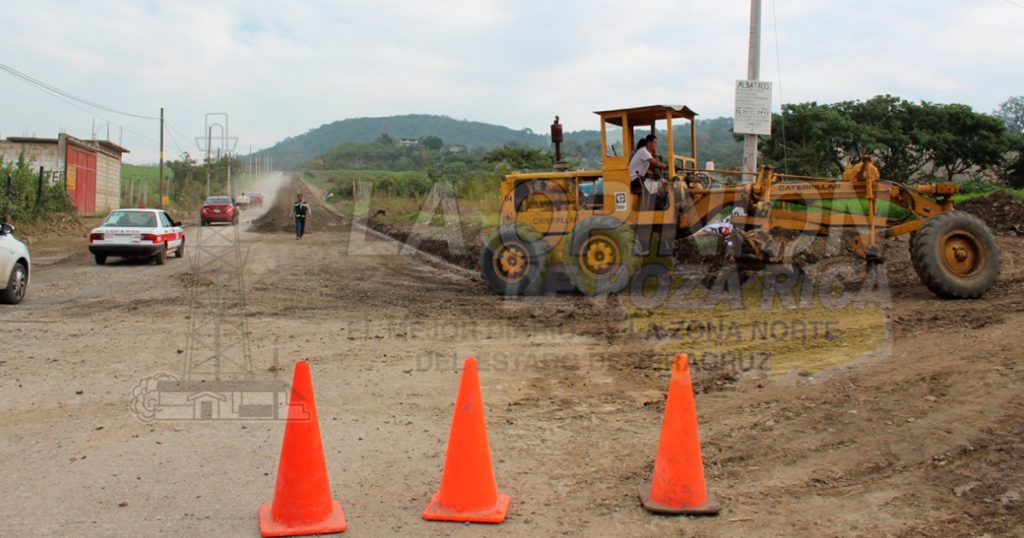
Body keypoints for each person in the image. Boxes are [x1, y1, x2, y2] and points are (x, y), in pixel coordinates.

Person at [628, 134, 669, 211]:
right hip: (634, 179)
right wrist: (666, 167)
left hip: (639, 177)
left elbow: (644, 169)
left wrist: (653, 174)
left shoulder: (647, 153)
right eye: (655, 143)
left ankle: (659, 207)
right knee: (654, 188)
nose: (656, 145)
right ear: (649, 143)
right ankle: (654, 210)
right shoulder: (643, 151)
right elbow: (655, 163)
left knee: (661, 183)